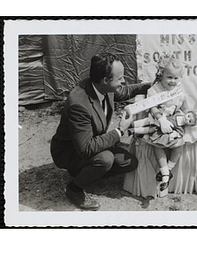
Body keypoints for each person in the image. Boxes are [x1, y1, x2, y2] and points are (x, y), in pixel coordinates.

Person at [50, 53, 150, 210]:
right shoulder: (79, 104)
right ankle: (74, 189)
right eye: (120, 78)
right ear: (106, 80)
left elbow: (125, 92)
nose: (123, 81)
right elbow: (86, 148)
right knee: (105, 159)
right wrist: (120, 130)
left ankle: (84, 173)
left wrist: (152, 85)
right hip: (70, 151)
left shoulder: (102, 86)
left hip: (91, 142)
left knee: (129, 162)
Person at [141, 53, 192, 192]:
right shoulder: (155, 90)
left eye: (176, 78)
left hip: (176, 121)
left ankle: (168, 170)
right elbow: (152, 107)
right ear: (161, 75)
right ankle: (163, 171)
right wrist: (161, 119)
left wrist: (189, 114)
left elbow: (184, 106)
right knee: (158, 144)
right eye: (169, 77)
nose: (173, 81)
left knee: (179, 145)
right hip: (160, 120)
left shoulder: (179, 90)